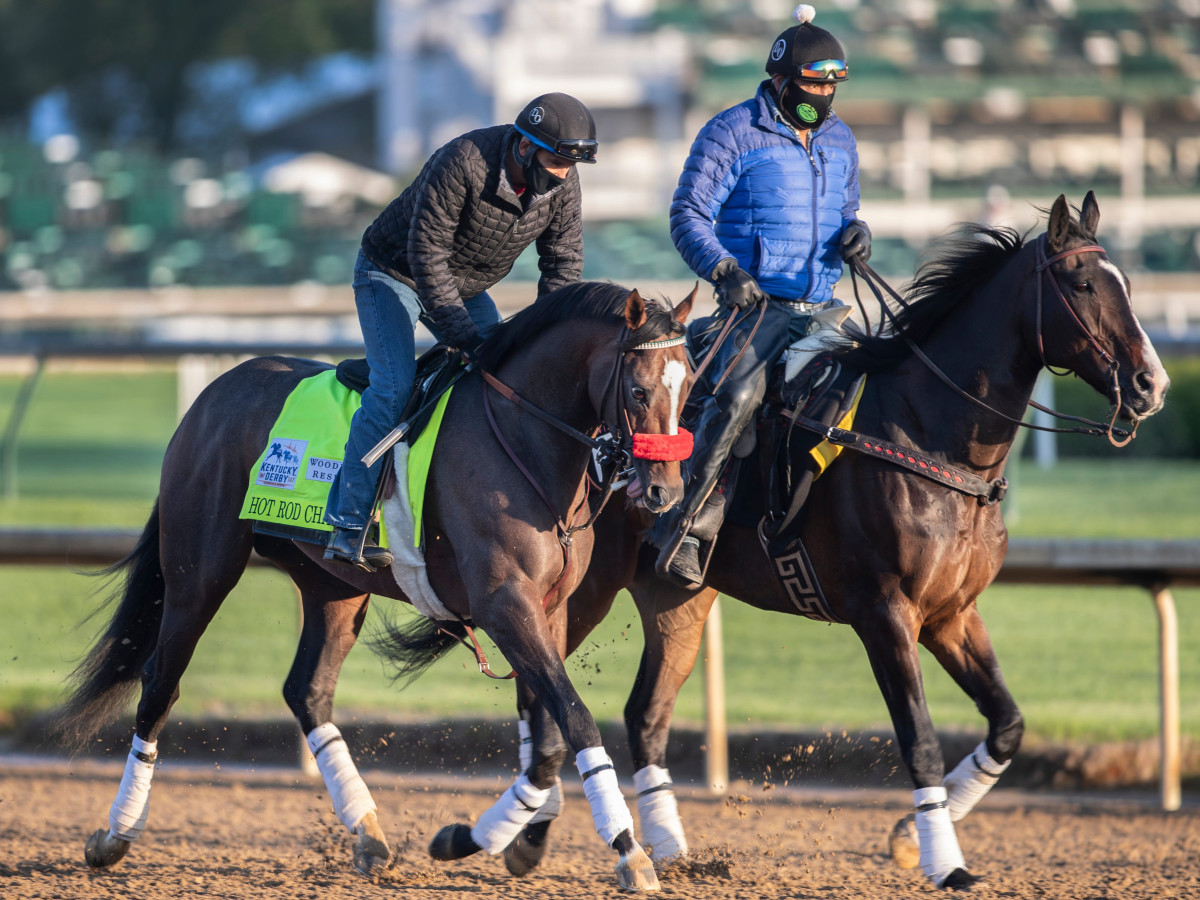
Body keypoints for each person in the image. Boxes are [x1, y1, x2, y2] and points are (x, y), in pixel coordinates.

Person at [323, 92, 599, 570]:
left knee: (508, 377)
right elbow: (426, 257)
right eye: (554, 161)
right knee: (394, 388)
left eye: (569, 166)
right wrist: (464, 338)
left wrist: (547, 341)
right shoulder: (462, 160)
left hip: (467, 284)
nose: (560, 174)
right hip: (394, 271)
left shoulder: (564, 184)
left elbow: (562, 265)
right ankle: (347, 524)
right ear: (522, 147)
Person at [651, 4, 872, 588]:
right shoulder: (731, 131)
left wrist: (857, 232)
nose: (824, 94)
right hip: (754, 310)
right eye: (813, 83)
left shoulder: (842, 139)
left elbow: (847, 209)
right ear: (780, 81)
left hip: (824, 307)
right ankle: (686, 527)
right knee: (739, 396)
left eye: (832, 85)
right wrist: (722, 269)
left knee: (882, 380)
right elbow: (688, 214)